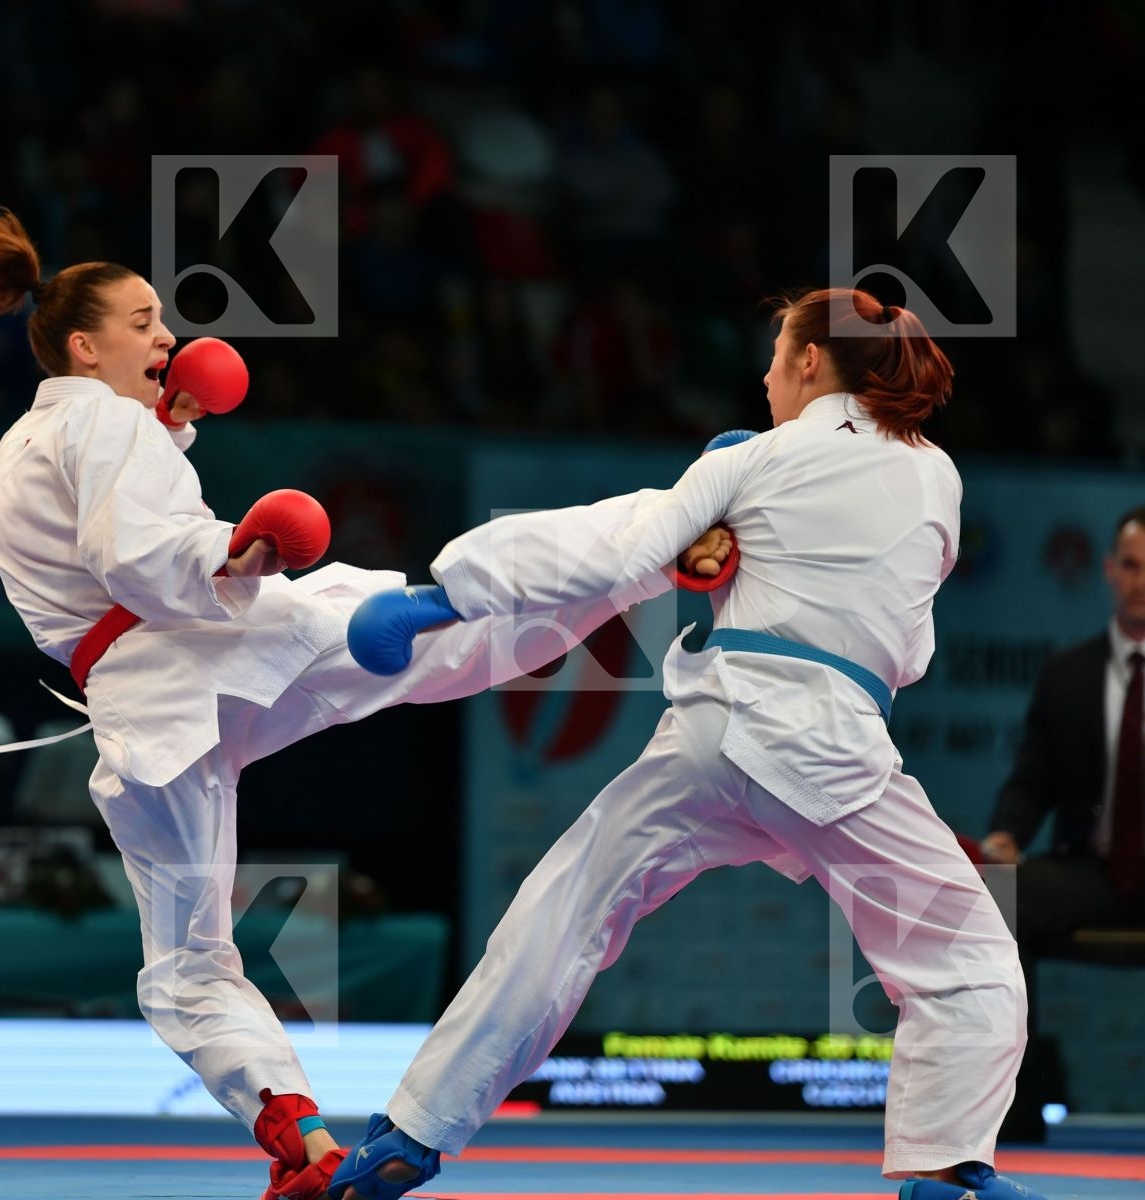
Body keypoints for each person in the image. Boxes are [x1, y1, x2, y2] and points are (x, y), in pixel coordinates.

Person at [0, 193, 729, 1200]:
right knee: (442, 631)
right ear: (85, 348)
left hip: (140, 714)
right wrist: (234, 548)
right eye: (143, 323)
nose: (169, 335)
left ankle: (291, 1128)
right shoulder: (99, 424)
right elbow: (139, 552)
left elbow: (103, 538)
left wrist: (167, 433)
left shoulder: (36, 442)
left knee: (185, 967)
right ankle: (665, 531)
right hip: (214, 645)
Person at [330, 289, 1044, 1200]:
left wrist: (448, 596)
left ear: (813, 363)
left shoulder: (758, 460)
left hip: (718, 732)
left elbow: (619, 547)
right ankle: (945, 1172)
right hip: (838, 747)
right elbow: (907, 652)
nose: (765, 374)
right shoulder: (937, 474)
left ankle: (414, 1134)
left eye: (778, 355)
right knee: (966, 962)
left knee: (565, 913)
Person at [982, 505, 1145, 1141]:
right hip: (1093, 873)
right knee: (998, 896)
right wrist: (1005, 835)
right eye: (1130, 566)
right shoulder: (1067, 674)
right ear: (1108, 571)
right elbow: (1031, 781)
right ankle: (1005, 1111)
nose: (1140, 580)